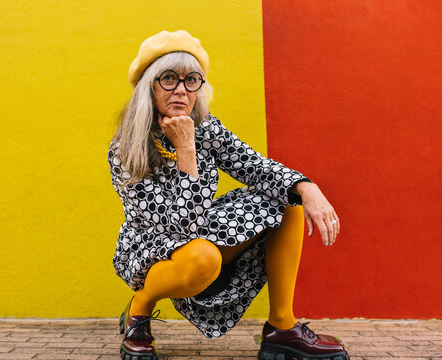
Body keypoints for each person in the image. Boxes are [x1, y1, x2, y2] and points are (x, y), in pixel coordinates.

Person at [108, 30, 349, 360]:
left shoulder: (205, 126)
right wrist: (186, 149)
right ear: (150, 86)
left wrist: (306, 187)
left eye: (191, 80)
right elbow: (179, 226)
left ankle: (282, 327)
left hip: (201, 230)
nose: (181, 89)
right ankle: (140, 308)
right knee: (202, 258)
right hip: (151, 245)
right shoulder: (126, 147)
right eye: (169, 78)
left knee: (286, 203)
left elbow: (254, 166)